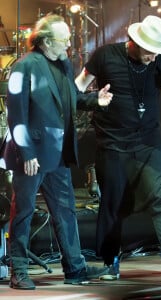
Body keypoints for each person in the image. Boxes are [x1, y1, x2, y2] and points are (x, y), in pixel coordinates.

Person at [0, 14, 113, 290]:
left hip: (57, 153)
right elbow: (15, 114)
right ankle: (19, 270)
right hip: (32, 154)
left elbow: (70, 99)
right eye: (64, 40)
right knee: (24, 211)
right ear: (47, 41)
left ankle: (75, 267)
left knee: (65, 211)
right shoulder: (24, 67)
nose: (69, 45)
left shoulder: (62, 64)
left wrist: (94, 100)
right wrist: (26, 152)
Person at [75, 15, 161, 282]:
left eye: (157, 51)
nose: (154, 56)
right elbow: (76, 87)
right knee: (112, 203)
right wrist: (95, 100)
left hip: (149, 142)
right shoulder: (105, 56)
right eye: (150, 50)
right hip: (113, 143)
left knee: (160, 198)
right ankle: (110, 262)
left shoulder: (160, 59)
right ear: (135, 43)